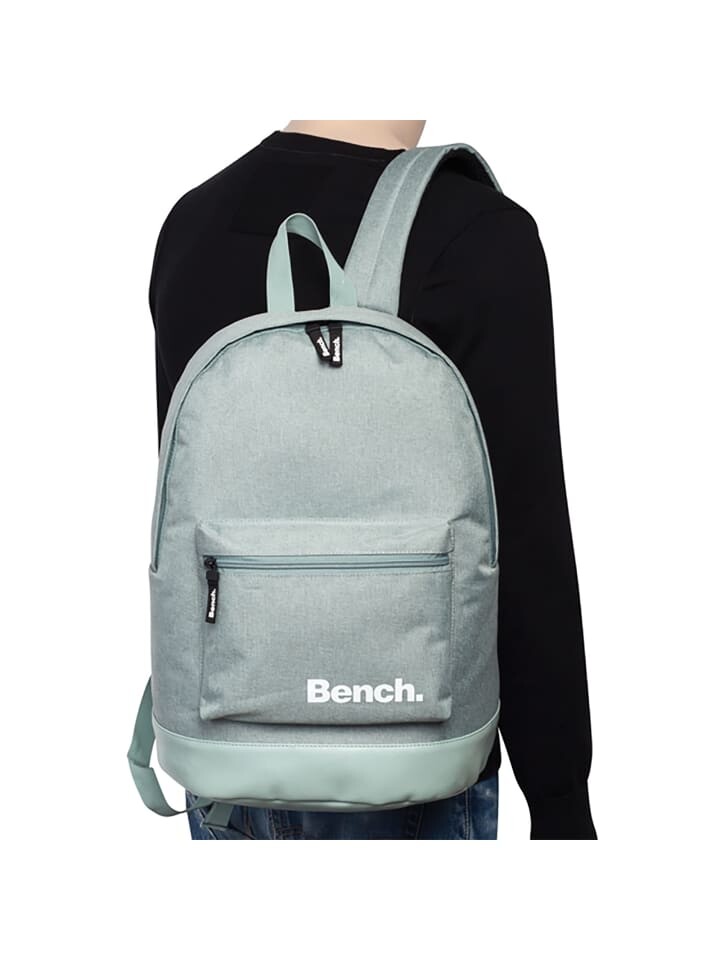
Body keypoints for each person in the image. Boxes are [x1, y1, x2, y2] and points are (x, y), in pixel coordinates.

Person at [149, 120, 596, 840]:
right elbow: (528, 539)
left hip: (223, 746)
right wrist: (561, 800)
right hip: (411, 766)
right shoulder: (478, 233)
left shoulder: (191, 221)